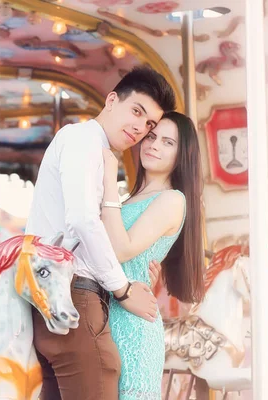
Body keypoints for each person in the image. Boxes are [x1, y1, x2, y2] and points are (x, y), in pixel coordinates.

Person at [25, 66, 176, 399]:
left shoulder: (96, 150)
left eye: (150, 123)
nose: (141, 128)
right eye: (137, 111)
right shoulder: (83, 139)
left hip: (61, 295)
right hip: (76, 296)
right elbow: (81, 219)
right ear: (111, 100)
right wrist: (122, 289)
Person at [100, 111, 205, 399]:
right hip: (108, 312)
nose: (154, 145)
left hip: (133, 327)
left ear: (182, 155)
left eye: (167, 142)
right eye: (151, 136)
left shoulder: (172, 199)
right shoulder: (127, 201)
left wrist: (109, 179)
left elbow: (122, 248)